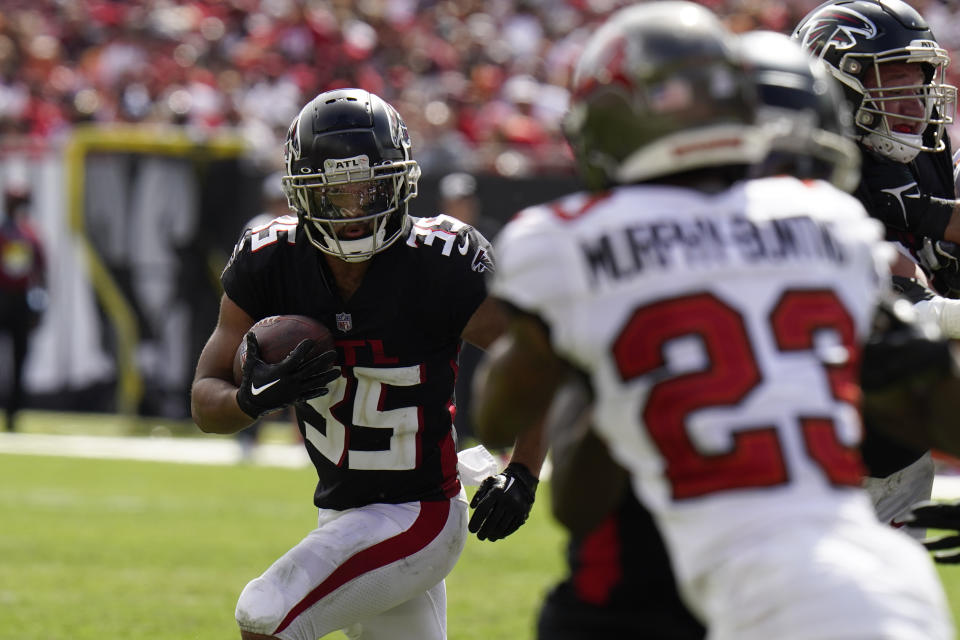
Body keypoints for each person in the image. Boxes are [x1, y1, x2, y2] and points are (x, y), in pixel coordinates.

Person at [471, 3, 952, 639]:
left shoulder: (564, 241)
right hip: (876, 577)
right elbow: (926, 396)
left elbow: (503, 420)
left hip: (703, 562)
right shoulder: (827, 224)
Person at [190, 88, 546, 640]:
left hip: (420, 510)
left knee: (266, 612)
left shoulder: (443, 262)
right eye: (334, 193)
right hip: (342, 511)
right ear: (301, 192)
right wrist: (247, 401)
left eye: (368, 189)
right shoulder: (269, 260)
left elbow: (534, 369)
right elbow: (203, 400)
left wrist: (522, 472)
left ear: (400, 181)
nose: (354, 210)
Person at [794, 0, 960, 537]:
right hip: (809, 460)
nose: (914, 99)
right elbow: (908, 313)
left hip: (896, 456)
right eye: (894, 78)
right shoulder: (800, 180)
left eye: (920, 81)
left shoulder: (920, 158)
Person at [437, 172, 502, 444]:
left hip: (483, 321)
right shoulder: (433, 237)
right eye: (457, 201)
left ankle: (492, 437)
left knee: (487, 378)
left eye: (466, 200)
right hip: (447, 323)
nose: (463, 206)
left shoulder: (490, 234)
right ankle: (455, 435)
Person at [0, 182, 46, 432]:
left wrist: (40, 307)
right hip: (2, 297)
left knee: (19, 360)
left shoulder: (30, 234)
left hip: (19, 301)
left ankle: (13, 414)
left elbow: (40, 273)